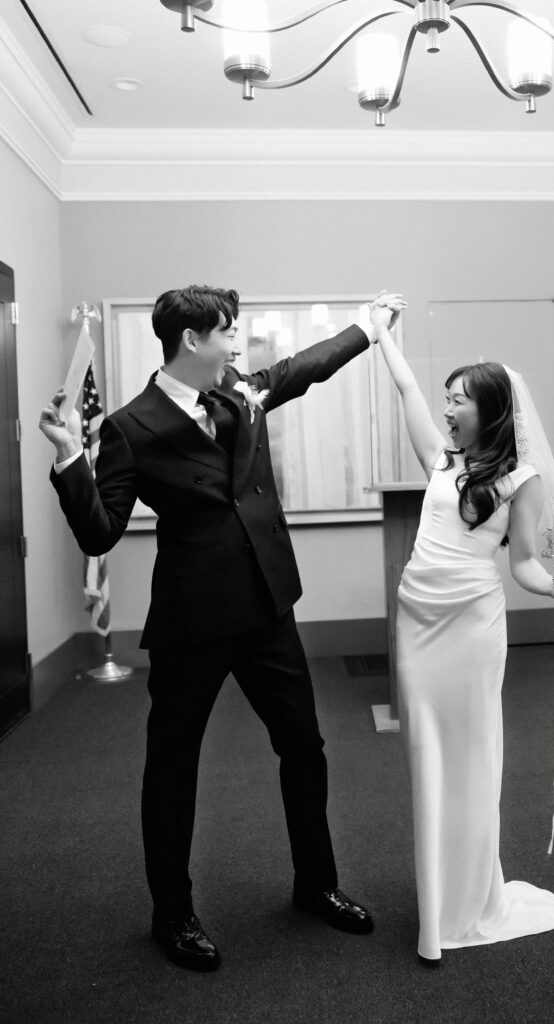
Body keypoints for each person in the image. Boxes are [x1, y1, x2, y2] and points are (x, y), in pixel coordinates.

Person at [39, 285, 405, 972]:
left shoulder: (237, 390)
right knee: (172, 769)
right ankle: (171, 915)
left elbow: (301, 368)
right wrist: (69, 459)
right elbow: (99, 531)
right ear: (191, 341)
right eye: (228, 331)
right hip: (193, 620)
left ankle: (315, 884)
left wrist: (366, 327)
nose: (238, 341)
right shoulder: (128, 426)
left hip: (268, 605)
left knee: (305, 746)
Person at [370, 303, 554, 963]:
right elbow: (403, 389)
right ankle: (440, 903)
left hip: (470, 626)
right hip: (415, 621)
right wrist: (380, 335)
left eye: (458, 400)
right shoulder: (438, 459)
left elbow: (523, 566)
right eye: (446, 398)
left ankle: (466, 904)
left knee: (469, 759)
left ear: (490, 411)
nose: (446, 407)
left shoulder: (523, 480)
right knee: (424, 757)